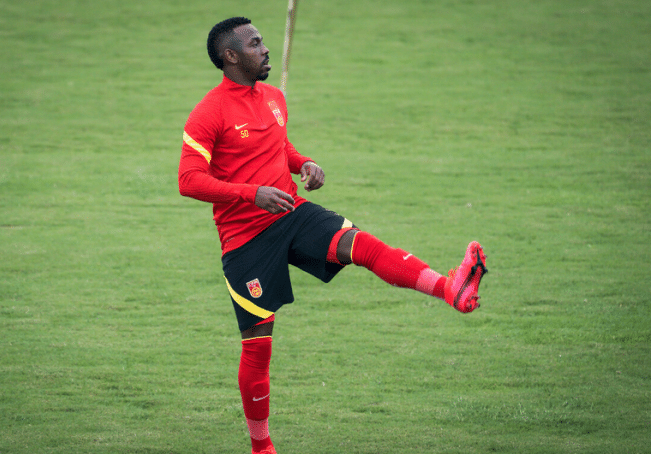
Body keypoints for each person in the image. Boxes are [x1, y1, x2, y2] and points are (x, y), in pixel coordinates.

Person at [178, 17, 488, 454]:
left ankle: (449, 288)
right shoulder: (209, 112)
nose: (265, 48)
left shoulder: (273, 97)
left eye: (263, 41)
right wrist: (252, 193)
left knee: (362, 245)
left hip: (290, 212)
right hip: (246, 240)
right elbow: (188, 180)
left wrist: (303, 163)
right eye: (254, 43)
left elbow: (278, 147)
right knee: (258, 349)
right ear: (230, 56)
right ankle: (262, 447)